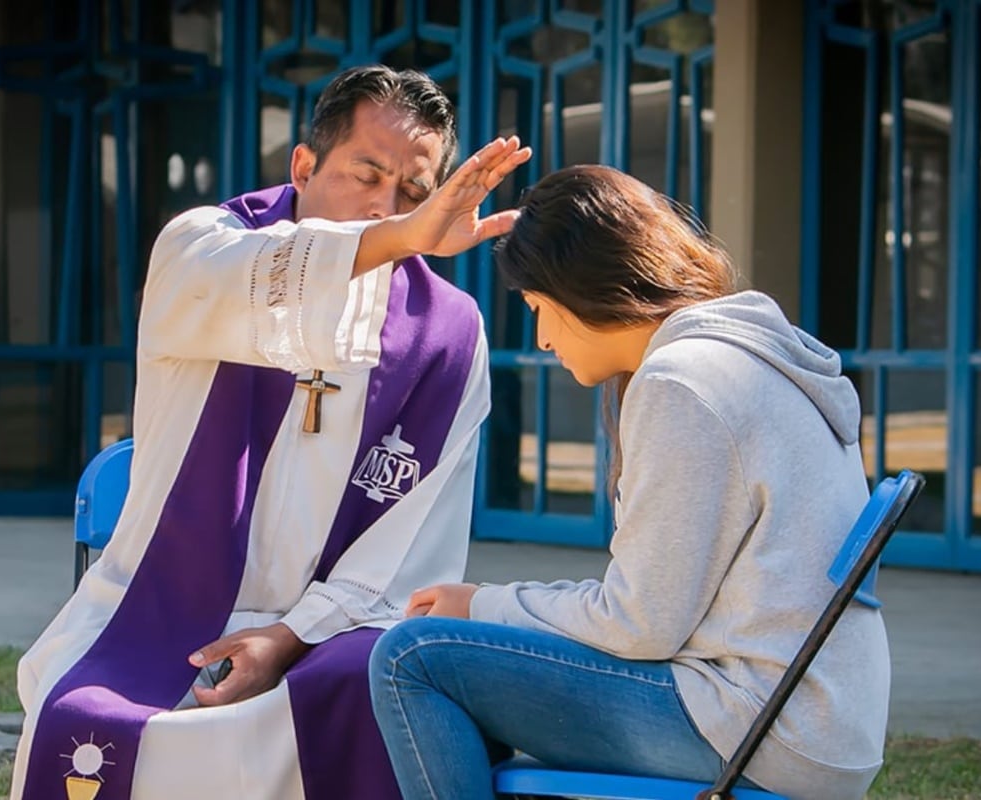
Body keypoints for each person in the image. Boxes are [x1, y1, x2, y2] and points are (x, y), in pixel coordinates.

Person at [9, 65, 530, 800]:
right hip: (158, 609)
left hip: (324, 632)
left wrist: (286, 640)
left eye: (415, 193)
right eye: (366, 174)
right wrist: (399, 233)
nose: (388, 206)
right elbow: (269, 280)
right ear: (304, 165)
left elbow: (411, 546)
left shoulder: (448, 334)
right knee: (92, 724)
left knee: (372, 692)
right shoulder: (205, 244)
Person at [369, 164, 889, 800]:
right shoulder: (746, 355)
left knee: (412, 658)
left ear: (583, 286)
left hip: (762, 731)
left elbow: (639, 622)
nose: (541, 337)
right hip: (815, 725)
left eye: (540, 308)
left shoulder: (684, 383)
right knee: (458, 659)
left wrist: (482, 604)